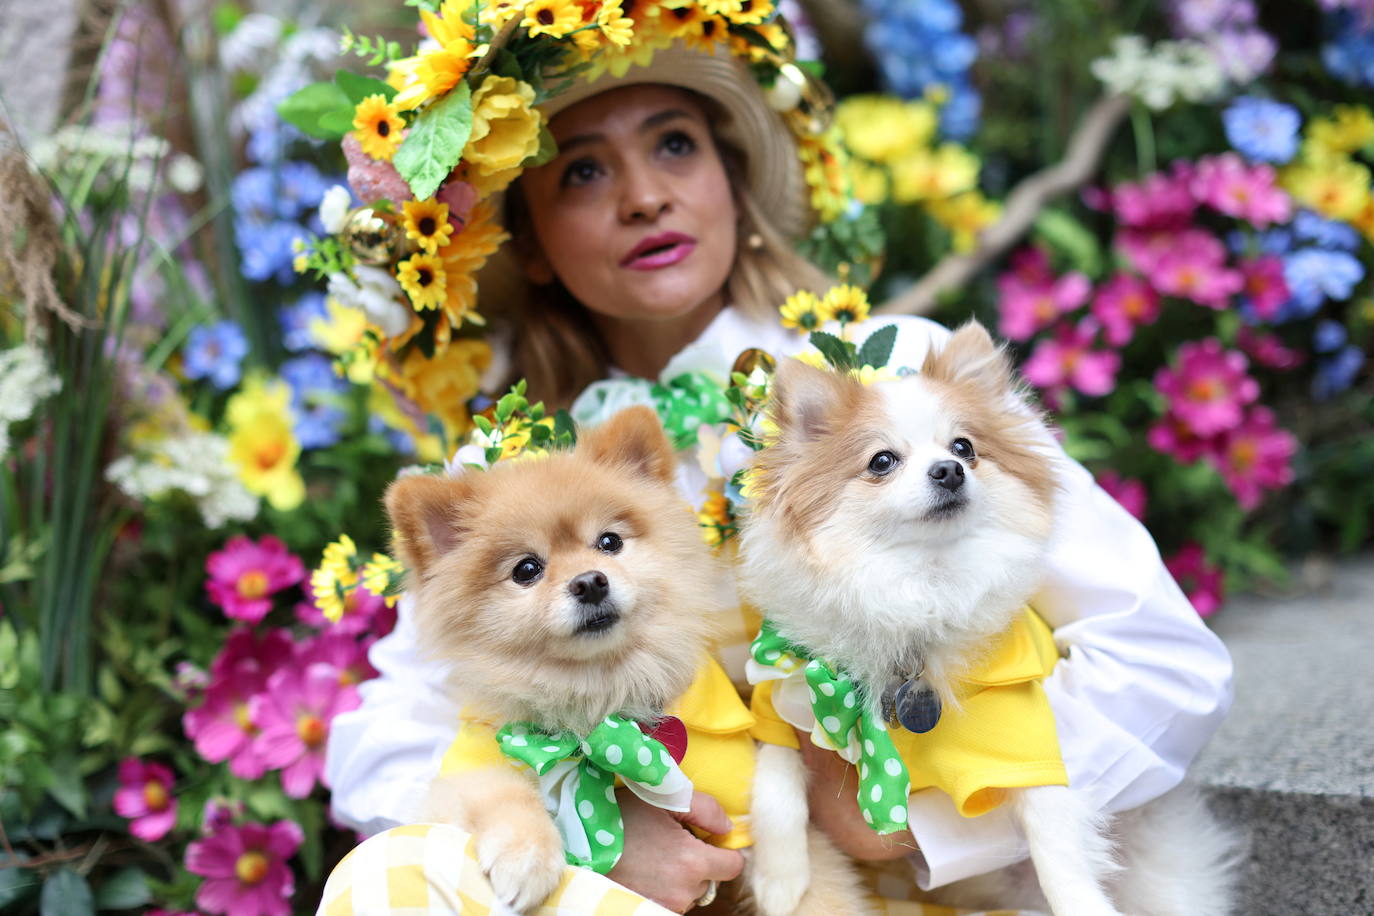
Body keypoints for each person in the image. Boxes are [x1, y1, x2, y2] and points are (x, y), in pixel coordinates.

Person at [320, 36, 1233, 916]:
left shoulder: (890, 378)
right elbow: (387, 741)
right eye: (583, 171)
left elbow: (1161, 661)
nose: (643, 196)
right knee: (392, 876)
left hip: (923, 887)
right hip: (639, 888)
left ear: (734, 180)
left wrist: (915, 819)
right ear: (530, 243)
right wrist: (586, 825)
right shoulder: (510, 471)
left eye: (675, 145)